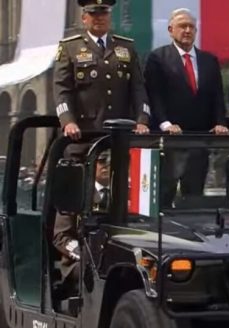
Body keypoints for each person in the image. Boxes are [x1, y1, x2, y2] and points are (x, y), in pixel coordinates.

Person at [144, 8, 228, 206]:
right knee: (165, 190)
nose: (188, 30)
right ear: (171, 30)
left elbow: (217, 95)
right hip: (170, 138)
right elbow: (154, 95)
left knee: (194, 193)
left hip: (199, 138)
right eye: (183, 26)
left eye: (191, 27)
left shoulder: (209, 60)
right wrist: (165, 123)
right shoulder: (158, 58)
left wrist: (220, 122)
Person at [53, 0, 150, 144]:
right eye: (94, 14)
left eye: (104, 13)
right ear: (84, 18)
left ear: (110, 17)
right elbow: (62, 89)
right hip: (84, 133)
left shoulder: (126, 46)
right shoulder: (70, 47)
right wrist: (67, 121)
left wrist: (142, 120)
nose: (99, 18)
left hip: (121, 131)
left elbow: (138, 88)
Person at [53, 151, 111, 295]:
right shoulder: (76, 194)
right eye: (102, 160)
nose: (107, 166)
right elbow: (60, 236)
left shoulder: (127, 195)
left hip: (113, 258)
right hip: (79, 262)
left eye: (111, 161)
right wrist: (83, 254)